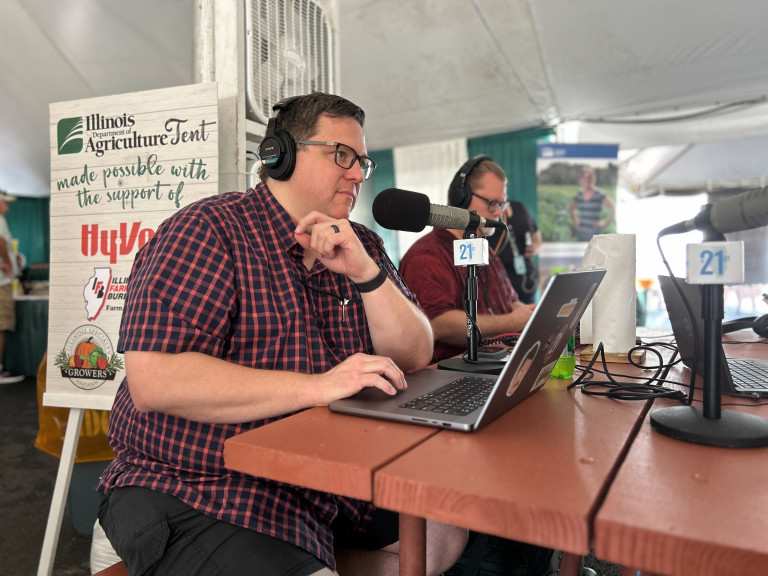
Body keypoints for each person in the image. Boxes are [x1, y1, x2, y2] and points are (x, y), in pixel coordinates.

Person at [96, 93, 467, 576]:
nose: (357, 174)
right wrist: (319, 386)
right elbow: (155, 381)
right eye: (343, 156)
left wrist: (367, 276)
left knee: (449, 527)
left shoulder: (364, 242)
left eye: (363, 162)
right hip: (195, 485)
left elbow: (415, 354)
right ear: (280, 155)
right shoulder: (207, 229)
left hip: (321, 481)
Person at [398, 156, 536, 363]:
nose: (499, 213)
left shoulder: (485, 250)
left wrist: (530, 313)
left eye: (501, 203)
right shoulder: (426, 256)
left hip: (498, 364)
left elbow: (510, 301)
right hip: (453, 378)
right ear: (461, 198)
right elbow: (437, 324)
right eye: (492, 203)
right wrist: (511, 321)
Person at [495, 201, 542, 304]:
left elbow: (537, 238)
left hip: (529, 283)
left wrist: (536, 248)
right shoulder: (488, 214)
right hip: (502, 289)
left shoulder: (519, 207)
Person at [0, 189, 25, 384]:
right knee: (2, 325)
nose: (7, 206)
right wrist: (7, 262)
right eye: (5, 202)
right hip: (2, 283)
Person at [569, 166, 616, 241]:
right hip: (581, 232)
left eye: (590, 178)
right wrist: (575, 221)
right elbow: (571, 208)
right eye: (585, 178)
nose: (588, 180)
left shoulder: (599, 194)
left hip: (594, 234)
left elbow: (613, 207)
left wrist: (604, 224)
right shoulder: (579, 195)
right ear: (582, 180)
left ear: (594, 179)